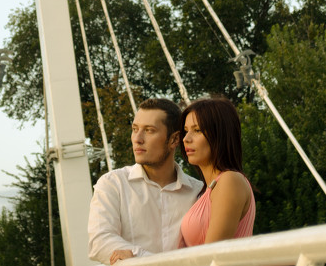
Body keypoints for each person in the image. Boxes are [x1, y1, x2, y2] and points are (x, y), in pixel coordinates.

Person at [88, 97, 203, 264]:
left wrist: (137, 258)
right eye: (135, 129)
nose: (137, 139)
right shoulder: (113, 184)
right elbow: (99, 242)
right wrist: (150, 260)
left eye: (149, 130)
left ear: (174, 139)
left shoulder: (198, 192)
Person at [179, 96, 255, 247]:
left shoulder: (230, 181)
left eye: (197, 130)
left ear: (220, 134)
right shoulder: (210, 189)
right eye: (186, 131)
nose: (186, 139)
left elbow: (212, 255)